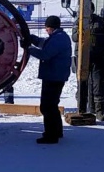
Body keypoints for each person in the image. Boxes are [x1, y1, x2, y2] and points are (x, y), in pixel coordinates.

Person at [26, 15, 72, 144]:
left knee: (47, 107)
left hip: (53, 77)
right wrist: (32, 39)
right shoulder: (58, 37)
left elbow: (45, 54)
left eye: (46, 28)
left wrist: (28, 48)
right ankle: (57, 132)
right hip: (55, 76)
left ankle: (50, 136)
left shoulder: (58, 39)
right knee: (52, 105)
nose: (46, 31)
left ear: (51, 28)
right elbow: (44, 43)